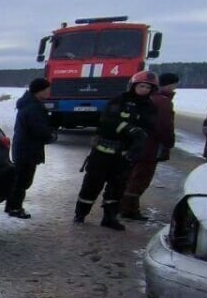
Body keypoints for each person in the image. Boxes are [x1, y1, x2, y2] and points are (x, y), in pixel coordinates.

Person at [74, 71, 156, 231]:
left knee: (117, 188)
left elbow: (149, 128)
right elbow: (107, 121)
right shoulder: (119, 100)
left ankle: (110, 218)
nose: (144, 89)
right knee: (91, 185)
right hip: (102, 153)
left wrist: (137, 144)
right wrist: (129, 129)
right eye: (142, 86)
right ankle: (80, 214)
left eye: (148, 87)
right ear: (133, 86)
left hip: (124, 156)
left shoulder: (150, 107)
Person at [120, 72, 179, 220]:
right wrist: (169, 142)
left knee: (130, 176)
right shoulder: (162, 102)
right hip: (150, 147)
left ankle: (122, 206)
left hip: (134, 145)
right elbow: (164, 126)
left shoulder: (140, 99)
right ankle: (128, 209)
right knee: (140, 178)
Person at [5, 78, 56, 219]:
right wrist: (50, 135)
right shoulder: (33, 107)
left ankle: (12, 206)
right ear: (39, 91)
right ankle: (14, 208)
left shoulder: (30, 104)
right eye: (47, 89)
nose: (49, 91)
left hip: (23, 147)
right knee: (23, 180)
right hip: (27, 149)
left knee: (21, 179)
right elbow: (38, 130)